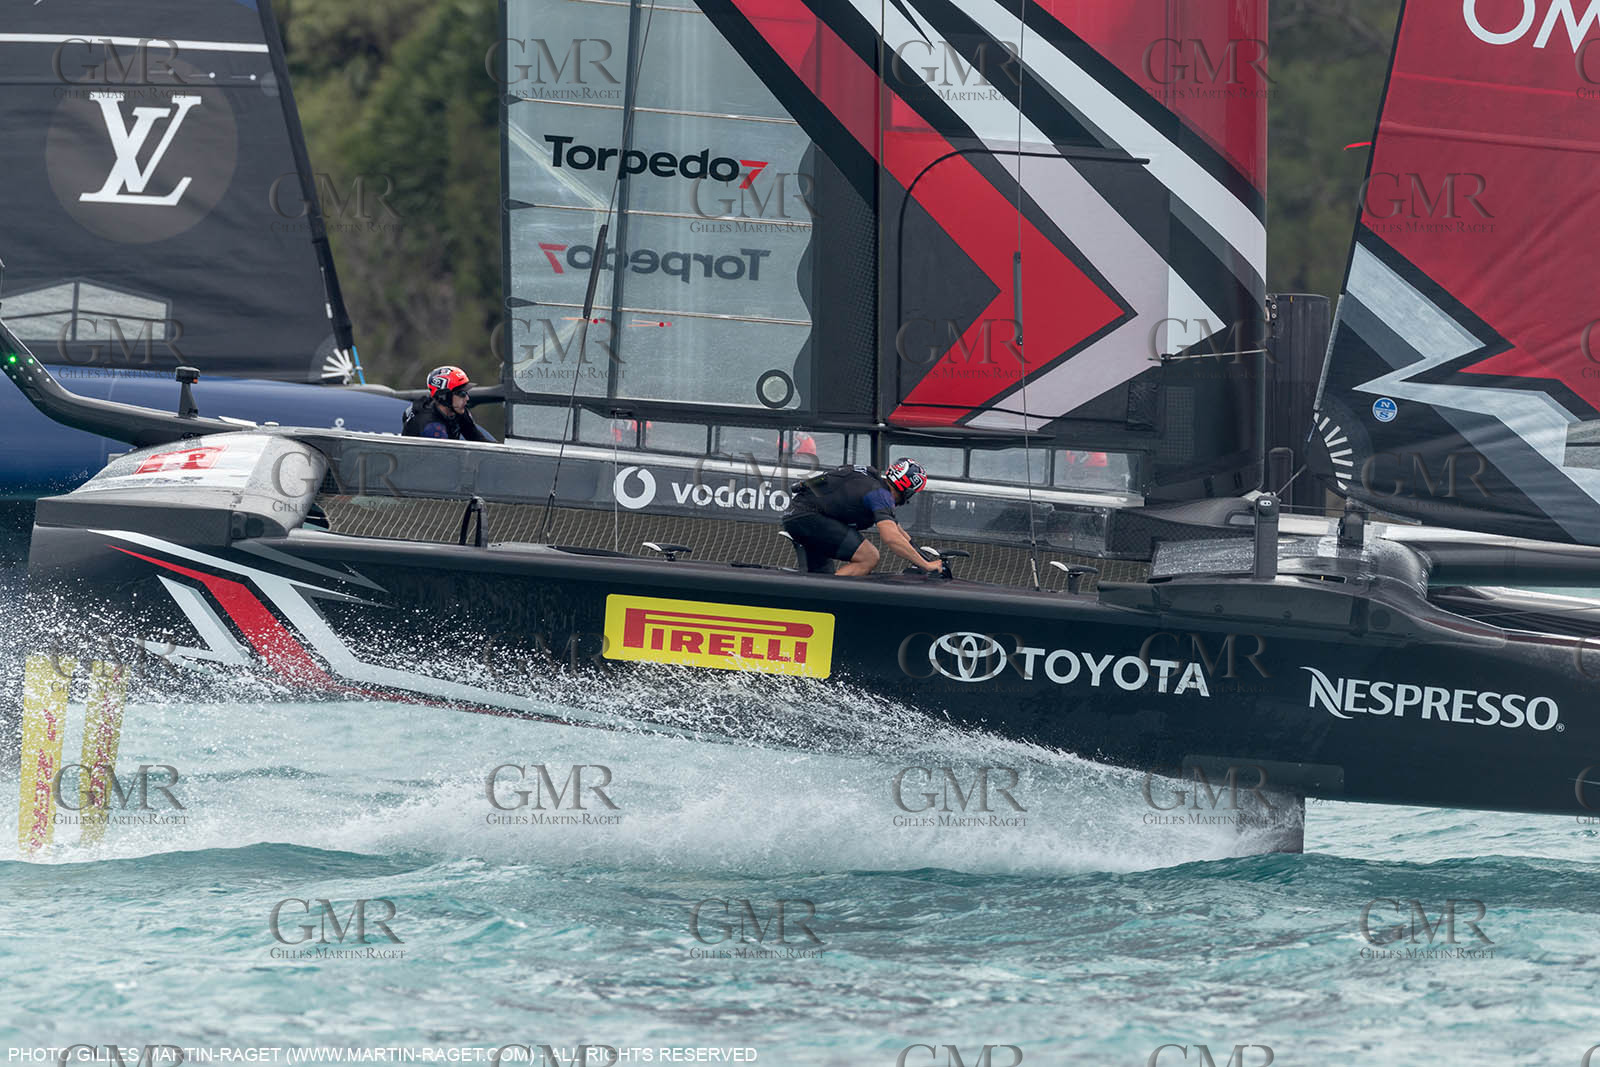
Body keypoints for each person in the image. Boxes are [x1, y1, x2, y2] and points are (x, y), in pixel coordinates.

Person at [781, 458, 945, 577]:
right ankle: (825, 602)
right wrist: (925, 565)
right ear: (908, 491)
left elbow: (897, 530)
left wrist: (924, 558)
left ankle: (816, 597)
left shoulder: (869, 477)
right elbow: (891, 538)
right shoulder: (881, 495)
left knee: (823, 574)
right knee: (869, 557)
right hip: (809, 517)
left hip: (799, 513)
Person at [401, 365, 496, 442]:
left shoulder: (457, 411)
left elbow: (478, 440)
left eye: (466, 393)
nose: (467, 398)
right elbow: (444, 462)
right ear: (444, 396)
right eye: (461, 394)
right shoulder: (433, 427)